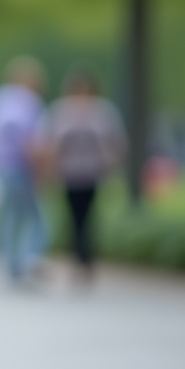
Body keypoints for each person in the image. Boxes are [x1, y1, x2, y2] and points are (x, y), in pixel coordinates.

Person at [41, 68, 127, 282]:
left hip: (92, 173)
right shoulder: (61, 111)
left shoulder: (103, 111)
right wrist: (49, 170)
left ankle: (86, 260)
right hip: (69, 174)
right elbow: (49, 143)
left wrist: (112, 166)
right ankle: (79, 260)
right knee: (73, 219)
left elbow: (116, 143)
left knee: (88, 218)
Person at [0, 56, 47, 283]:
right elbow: (31, 140)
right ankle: (29, 258)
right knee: (34, 218)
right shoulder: (29, 102)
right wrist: (41, 169)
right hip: (21, 167)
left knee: (7, 217)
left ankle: (8, 263)